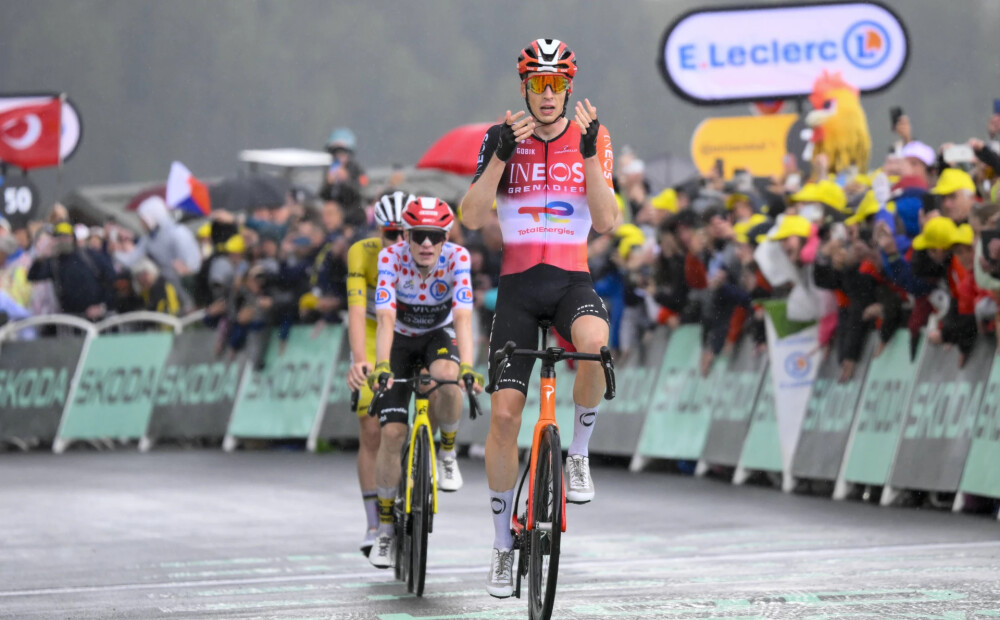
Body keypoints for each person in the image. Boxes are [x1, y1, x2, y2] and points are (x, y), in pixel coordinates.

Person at [457, 38, 619, 597]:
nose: (547, 95)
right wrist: (499, 155)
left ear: (567, 87)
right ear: (524, 87)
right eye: (537, 84)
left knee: (597, 345)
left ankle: (578, 454)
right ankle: (503, 545)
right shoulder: (503, 140)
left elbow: (605, 223)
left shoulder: (591, 139)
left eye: (556, 84)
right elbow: (472, 217)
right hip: (519, 290)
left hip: (572, 281)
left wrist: (593, 156)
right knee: (504, 418)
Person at [365, 197, 483, 568]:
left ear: (445, 237)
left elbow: (463, 318)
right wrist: (382, 363)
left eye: (435, 235)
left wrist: (467, 366)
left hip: (437, 335)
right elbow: (384, 318)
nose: (427, 244)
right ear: (407, 235)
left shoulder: (458, 258)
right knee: (392, 435)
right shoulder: (390, 258)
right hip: (398, 339)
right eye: (419, 236)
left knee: (449, 380)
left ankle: (447, 452)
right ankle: (384, 529)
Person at [344, 190, 414, 556]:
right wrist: (360, 360)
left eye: (407, 232)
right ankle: (375, 522)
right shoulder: (362, 253)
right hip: (374, 333)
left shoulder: (428, 248)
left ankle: (421, 475)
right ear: (378, 232)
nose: (400, 242)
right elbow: (357, 312)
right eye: (391, 234)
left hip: (415, 330)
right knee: (371, 427)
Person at [28, 222, 116, 322]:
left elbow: (112, 279)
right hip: (72, 321)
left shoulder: (89, 256)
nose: (63, 240)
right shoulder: (54, 262)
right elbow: (33, 276)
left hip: (99, 318)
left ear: (72, 238)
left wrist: (102, 306)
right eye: (59, 237)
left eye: (66, 236)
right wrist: (42, 256)